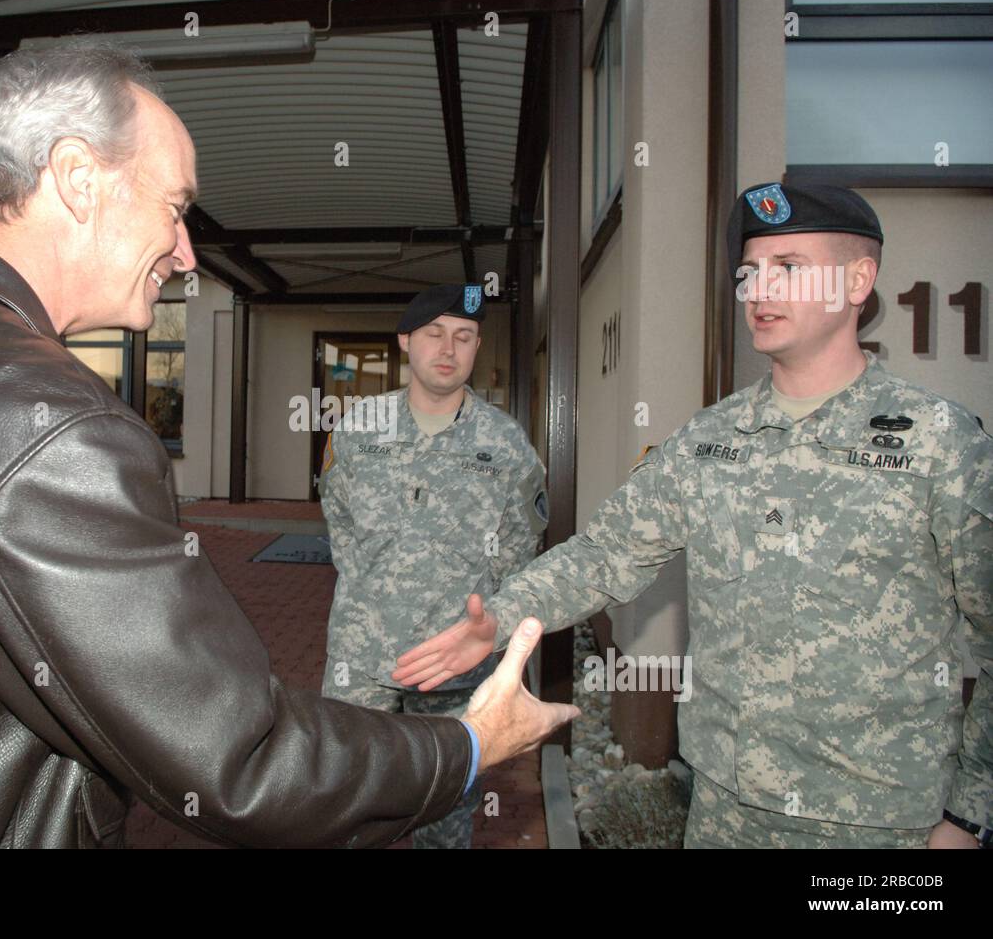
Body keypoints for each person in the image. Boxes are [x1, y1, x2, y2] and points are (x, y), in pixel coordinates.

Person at [0, 37, 574, 848]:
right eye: (175, 207)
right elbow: (239, 757)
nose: (187, 252)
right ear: (79, 178)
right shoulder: (45, 423)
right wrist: (464, 747)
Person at [395, 182, 992, 848]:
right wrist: (500, 618)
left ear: (858, 279)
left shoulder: (938, 443)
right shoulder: (711, 440)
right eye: (749, 272)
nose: (758, 291)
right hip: (723, 810)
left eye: (788, 267)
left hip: (878, 823)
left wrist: (968, 813)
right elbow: (605, 553)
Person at [320, 284, 548, 848]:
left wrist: (486, 623)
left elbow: (523, 545)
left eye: (464, 336)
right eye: (433, 334)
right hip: (363, 656)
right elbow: (339, 522)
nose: (448, 349)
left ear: (476, 347)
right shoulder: (357, 429)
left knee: (445, 814)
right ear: (405, 342)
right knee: (344, 800)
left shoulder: (506, 443)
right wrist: (375, 593)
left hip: (455, 665)